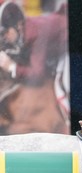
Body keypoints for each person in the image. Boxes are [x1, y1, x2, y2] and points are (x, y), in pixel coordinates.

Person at [0, 1, 69, 134]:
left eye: (5, 33)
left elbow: (37, 73)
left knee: (61, 87)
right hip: (52, 53)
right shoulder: (20, 29)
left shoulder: (36, 33)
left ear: (18, 26)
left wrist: (11, 66)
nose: (4, 38)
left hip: (65, 50)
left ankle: (68, 119)